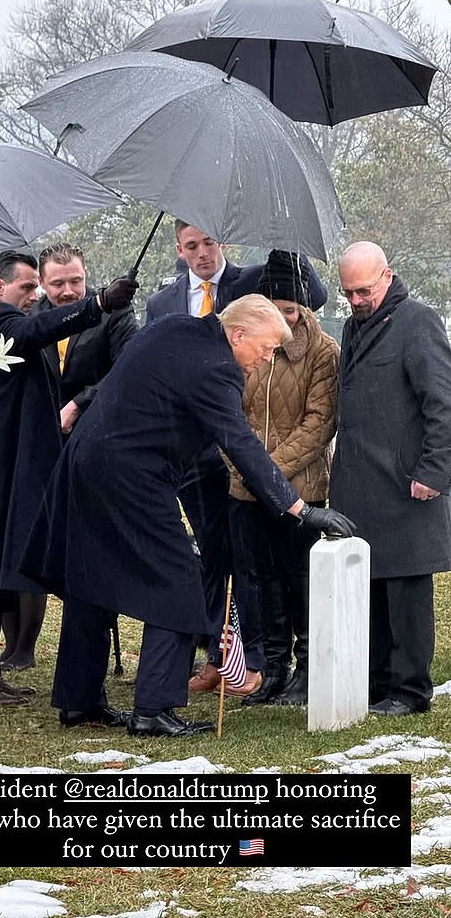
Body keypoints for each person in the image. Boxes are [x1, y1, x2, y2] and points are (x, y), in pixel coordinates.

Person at [22, 294, 355, 737]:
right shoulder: (218, 370)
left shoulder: (171, 327)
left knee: (92, 579)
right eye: (266, 347)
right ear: (238, 334)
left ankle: (79, 701)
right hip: (132, 478)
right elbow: (242, 445)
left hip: (84, 460)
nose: (266, 358)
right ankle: (154, 709)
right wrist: (300, 510)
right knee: (180, 581)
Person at [0, 250, 137, 705]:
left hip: (6, 465)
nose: (35, 295)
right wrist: (97, 303)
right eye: (28, 287)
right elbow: (38, 329)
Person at [145, 220, 328, 662]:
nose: (202, 253)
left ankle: (249, 656)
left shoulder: (250, 283)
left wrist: (286, 239)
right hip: (199, 452)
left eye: (209, 242)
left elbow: (312, 296)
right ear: (179, 248)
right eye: (192, 245)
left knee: (260, 561)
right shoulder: (161, 303)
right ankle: (220, 653)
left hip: (244, 452)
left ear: (222, 239)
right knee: (215, 553)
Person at [0, 241, 138, 672]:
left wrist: (81, 403)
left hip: (93, 443)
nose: (67, 292)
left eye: (75, 281)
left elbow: (128, 370)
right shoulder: (28, 318)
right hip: (36, 446)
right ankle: (19, 647)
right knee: (25, 536)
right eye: (57, 283)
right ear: (41, 283)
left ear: (86, 274)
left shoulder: (113, 313)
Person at [329, 241, 451, 716]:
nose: (356, 301)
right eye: (348, 294)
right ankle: (380, 683)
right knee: (373, 588)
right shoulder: (353, 327)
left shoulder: (417, 321)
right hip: (362, 485)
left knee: (405, 592)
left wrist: (434, 470)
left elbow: (442, 402)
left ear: (387, 276)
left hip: (408, 484)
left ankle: (410, 690)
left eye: (363, 291)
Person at [213, 249, 339, 706]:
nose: (282, 317)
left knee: (298, 578)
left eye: (289, 309)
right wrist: (245, 471)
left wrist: (267, 476)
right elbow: (228, 414)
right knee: (259, 578)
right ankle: (271, 666)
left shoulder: (323, 352)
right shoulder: (243, 347)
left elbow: (318, 423)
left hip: (299, 487)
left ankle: (306, 670)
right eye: (273, 308)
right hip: (244, 487)